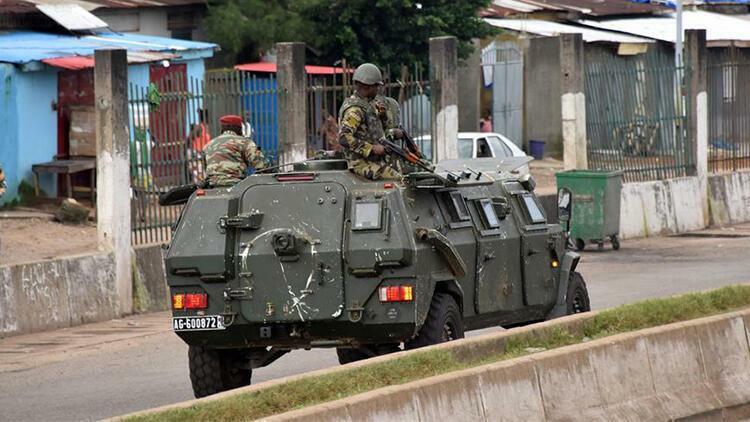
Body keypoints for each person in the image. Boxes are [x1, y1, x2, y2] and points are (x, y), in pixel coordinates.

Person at [337, 63, 402, 181]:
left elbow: (375, 132)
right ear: (368, 86)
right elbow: (343, 137)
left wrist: (384, 118)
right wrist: (371, 148)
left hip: (376, 160)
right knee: (399, 180)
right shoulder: (355, 110)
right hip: (360, 163)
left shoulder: (369, 104)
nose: (378, 89)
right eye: (377, 86)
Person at [203, 115, 266, 187]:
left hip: (213, 186)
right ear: (237, 128)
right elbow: (261, 165)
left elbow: (205, 166)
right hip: (237, 185)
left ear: (222, 128)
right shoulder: (244, 142)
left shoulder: (208, 145)